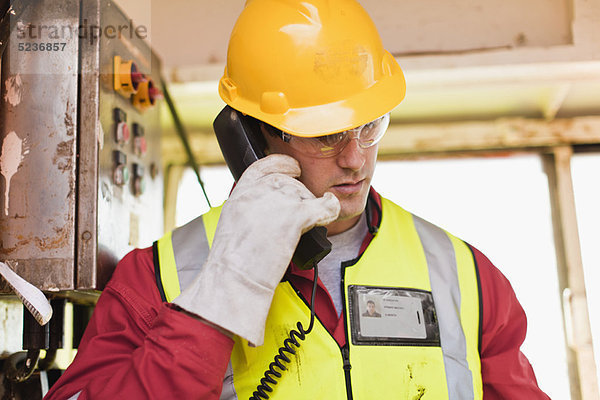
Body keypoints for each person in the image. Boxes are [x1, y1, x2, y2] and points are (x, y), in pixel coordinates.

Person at [45, 0, 551, 399]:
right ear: (252, 136)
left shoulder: (468, 278)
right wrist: (217, 300)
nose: (356, 159)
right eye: (325, 135)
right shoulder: (156, 280)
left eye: (369, 125)